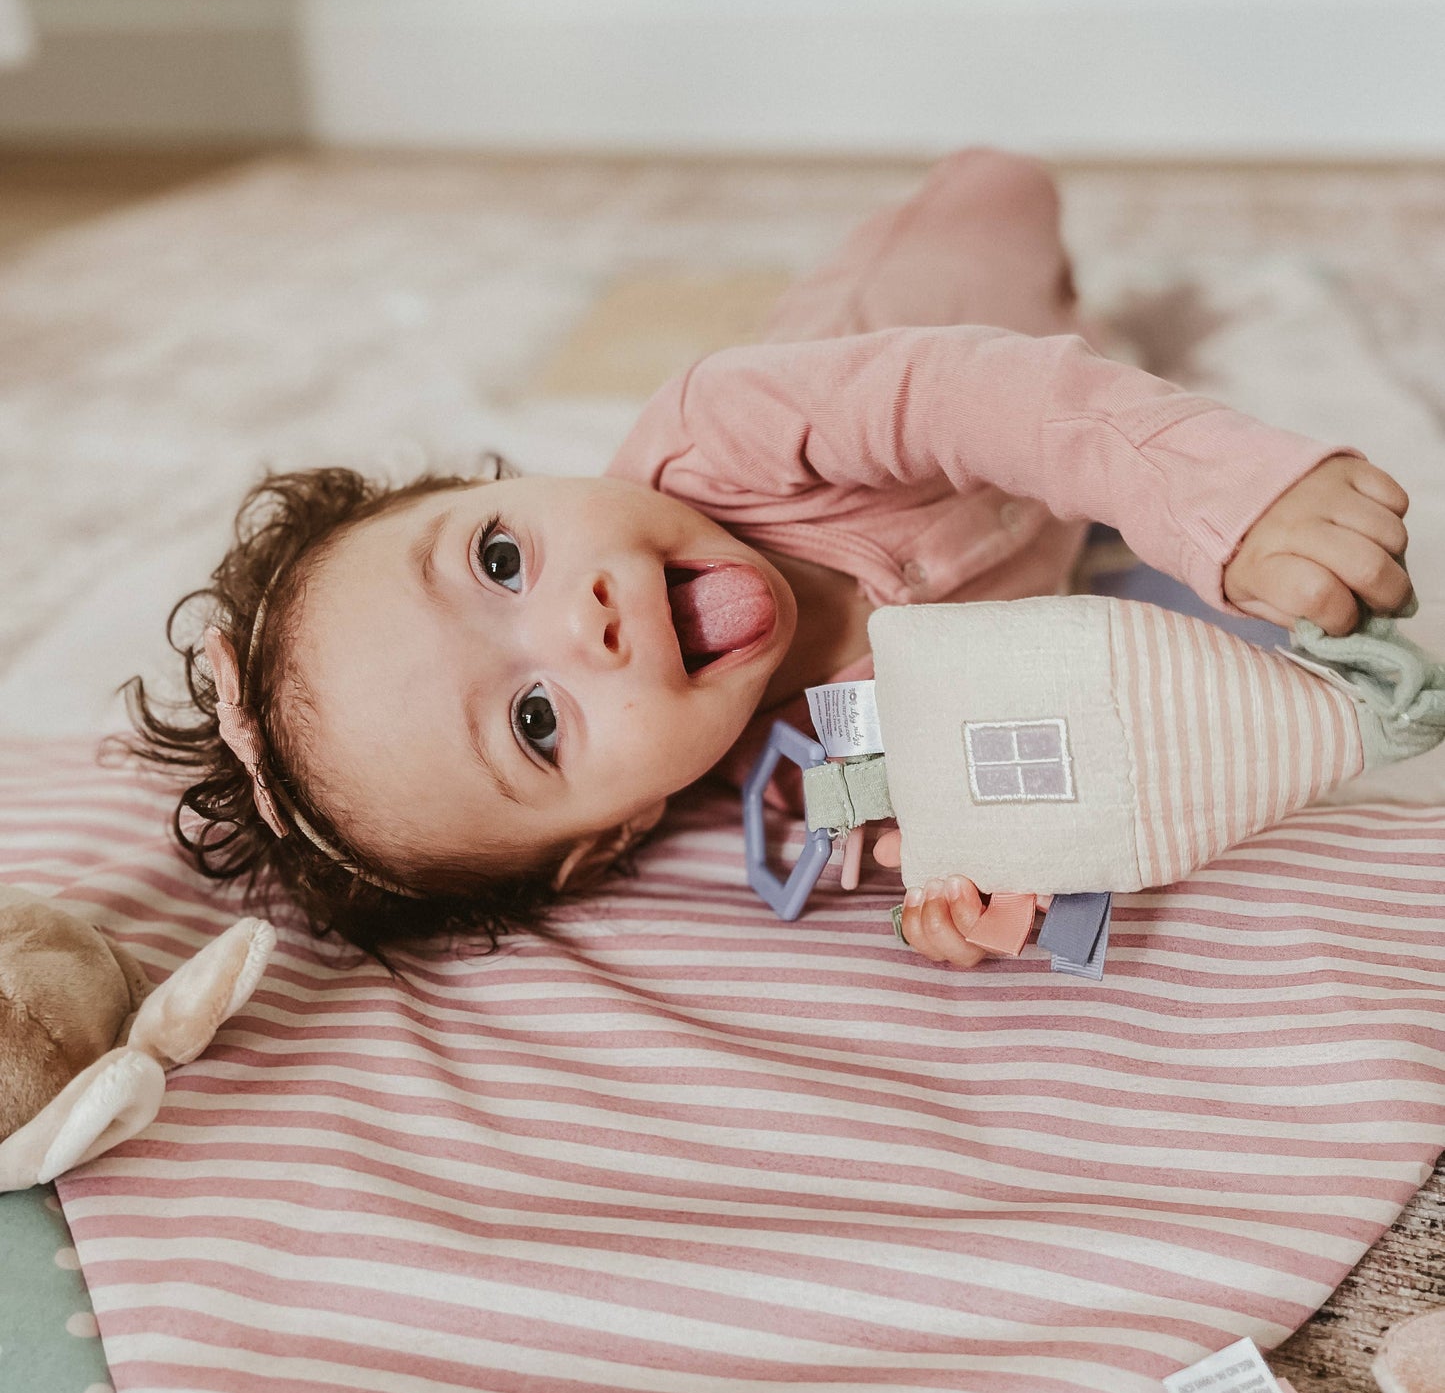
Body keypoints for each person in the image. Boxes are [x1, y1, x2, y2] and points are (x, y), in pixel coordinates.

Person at [127, 151, 1412, 968]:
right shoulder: (798, 768)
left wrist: (1227, 501)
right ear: (611, 832)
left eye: (503, 556)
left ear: (498, 485)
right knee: (1101, 368)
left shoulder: (720, 431)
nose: (587, 624)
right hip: (1049, 523)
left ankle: (1002, 244)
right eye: (533, 721)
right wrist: (971, 878)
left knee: (997, 204)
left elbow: (989, 401)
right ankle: (1102, 337)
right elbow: (957, 788)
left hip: (914, 341)